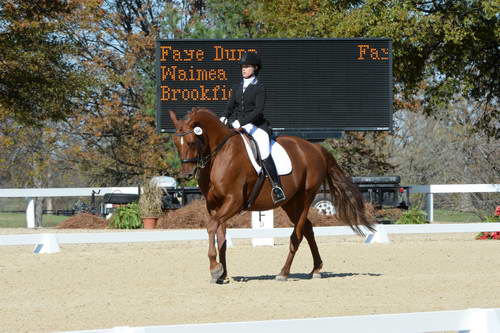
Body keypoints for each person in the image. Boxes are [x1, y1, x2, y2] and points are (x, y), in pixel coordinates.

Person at [220, 52, 286, 204]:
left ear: (255, 68)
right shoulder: (237, 87)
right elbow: (230, 106)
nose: (244, 69)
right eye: (242, 67)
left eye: (247, 67)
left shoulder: (259, 87)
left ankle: (277, 186)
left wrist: (241, 122)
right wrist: (224, 116)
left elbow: (258, 110)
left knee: (264, 148)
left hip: (257, 126)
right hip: (238, 125)